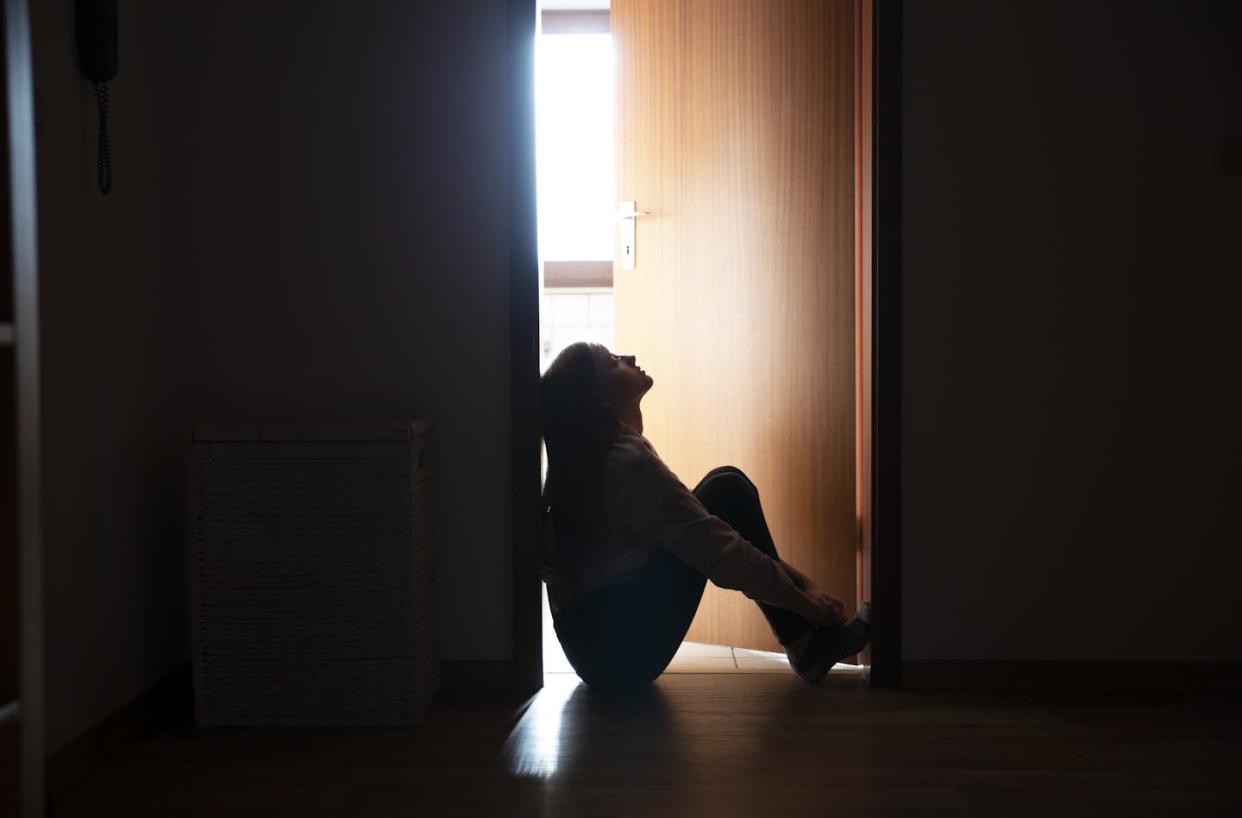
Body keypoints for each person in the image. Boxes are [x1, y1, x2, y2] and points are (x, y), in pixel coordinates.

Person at [539, 341, 871, 691]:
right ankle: (807, 647)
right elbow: (720, 551)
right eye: (613, 362)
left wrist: (805, 586)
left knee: (723, 488)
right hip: (622, 660)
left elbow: (704, 530)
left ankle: (805, 646)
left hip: (595, 654)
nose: (630, 357)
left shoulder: (593, 462)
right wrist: (808, 607)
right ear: (600, 401)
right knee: (726, 493)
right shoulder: (623, 464)